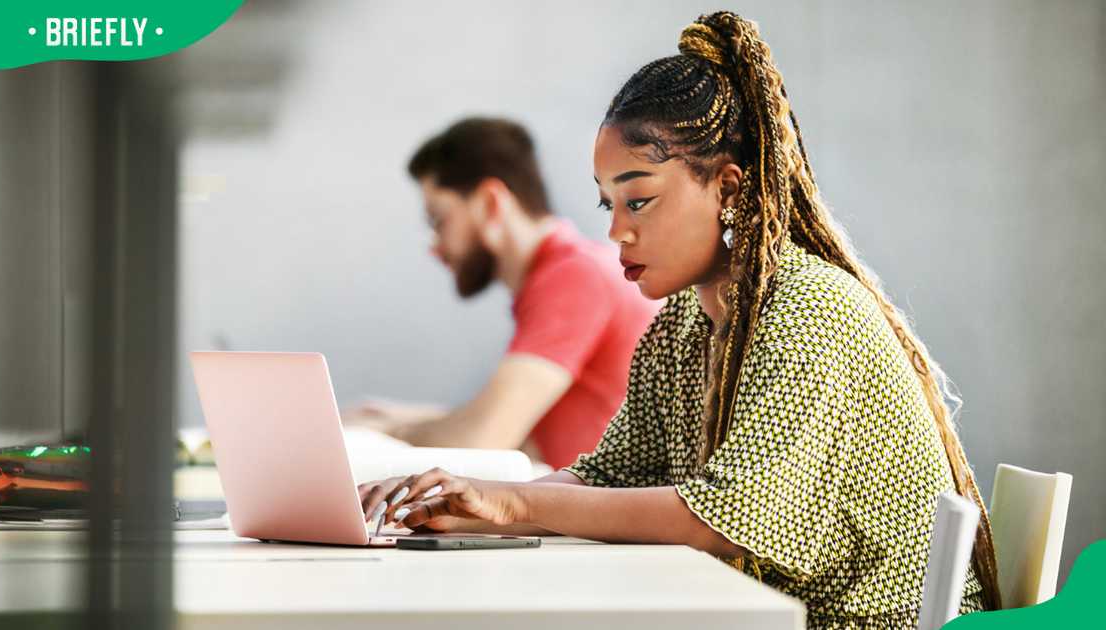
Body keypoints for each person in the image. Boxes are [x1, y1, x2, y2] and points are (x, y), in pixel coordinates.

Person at [356, 12, 1002, 629]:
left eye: (640, 200)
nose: (616, 230)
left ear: (728, 187)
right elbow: (611, 474)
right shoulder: (682, 324)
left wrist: (515, 502)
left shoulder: (811, 308)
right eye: (607, 202)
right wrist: (462, 507)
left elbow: (725, 517)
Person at [346, 118, 660, 470]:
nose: (434, 247)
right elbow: (524, 435)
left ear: (491, 202)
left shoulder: (575, 277)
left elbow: (482, 440)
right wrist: (396, 417)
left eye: (439, 220)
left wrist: (384, 431)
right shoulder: (575, 272)